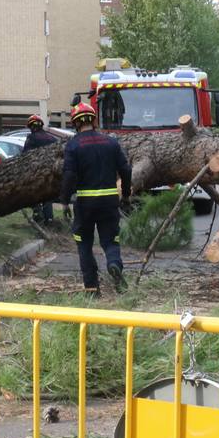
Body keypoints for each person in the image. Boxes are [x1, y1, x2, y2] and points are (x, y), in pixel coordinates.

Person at [59, 101, 131, 296]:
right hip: (109, 202)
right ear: (94, 120)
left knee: (84, 244)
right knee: (110, 240)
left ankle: (91, 288)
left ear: (75, 124)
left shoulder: (73, 145)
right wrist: (126, 194)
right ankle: (114, 264)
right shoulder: (111, 142)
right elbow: (125, 169)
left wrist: (64, 201)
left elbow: (69, 175)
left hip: (84, 204)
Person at [23, 114, 60, 223]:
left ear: (31, 127)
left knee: (32, 194)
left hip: (37, 172)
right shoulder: (52, 138)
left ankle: (38, 215)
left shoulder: (31, 138)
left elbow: (25, 155)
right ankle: (49, 220)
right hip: (52, 173)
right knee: (48, 198)